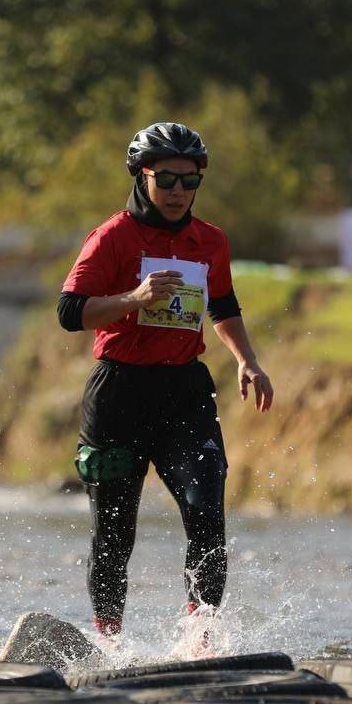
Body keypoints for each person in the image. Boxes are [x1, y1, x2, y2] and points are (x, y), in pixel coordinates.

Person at [57, 121, 274, 646]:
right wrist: (133, 300)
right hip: (118, 393)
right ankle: (108, 642)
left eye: (190, 181)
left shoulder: (211, 241)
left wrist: (247, 359)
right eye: (167, 180)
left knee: (207, 510)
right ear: (141, 176)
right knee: (114, 533)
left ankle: (199, 636)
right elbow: (69, 312)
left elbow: (222, 305)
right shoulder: (112, 237)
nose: (179, 192)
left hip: (184, 392)